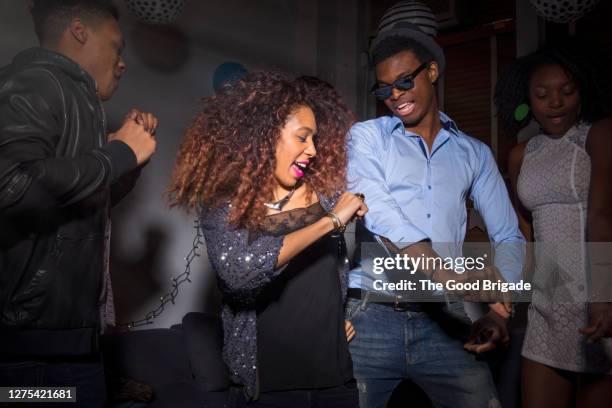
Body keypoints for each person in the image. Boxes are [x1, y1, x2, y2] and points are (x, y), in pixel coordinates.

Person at [345, 14, 526, 408]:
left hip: (443, 319)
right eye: (385, 88)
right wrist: (446, 274)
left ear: (431, 72)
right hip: (371, 315)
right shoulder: (367, 137)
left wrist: (499, 308)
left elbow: (508, 236)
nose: (395, 95)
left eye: (405, 82)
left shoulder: (474, 153)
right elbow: (379, 211)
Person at [168, 72, 367, 406]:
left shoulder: (326, 194)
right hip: (269, 388)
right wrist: (331, 222)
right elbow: (240, 274)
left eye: (315, 139)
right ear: (265, 136)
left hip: (334, 381)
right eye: (303, 138)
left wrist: (343, 316)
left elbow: (333, 279)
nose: (313, 150)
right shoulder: (226, 205)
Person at [0, 1, 157, 406]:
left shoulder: (76, 98)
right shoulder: (38, 82)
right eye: (116, 47)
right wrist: (118, 154)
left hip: (65, 346)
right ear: (79, 31)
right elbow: (10, 186)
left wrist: (128, 162)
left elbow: (72, 208)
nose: (122, 63)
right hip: (31, 357)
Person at [497, 45, 612, 408]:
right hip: (546, 304)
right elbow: (526, 230)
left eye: (567, 90)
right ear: (527, 100)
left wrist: (603, 296)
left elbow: (602, 216)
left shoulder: (599, 134)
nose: (556, 102)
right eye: (542, 94)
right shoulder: (520, 154)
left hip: (594, 298)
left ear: (583, 92)